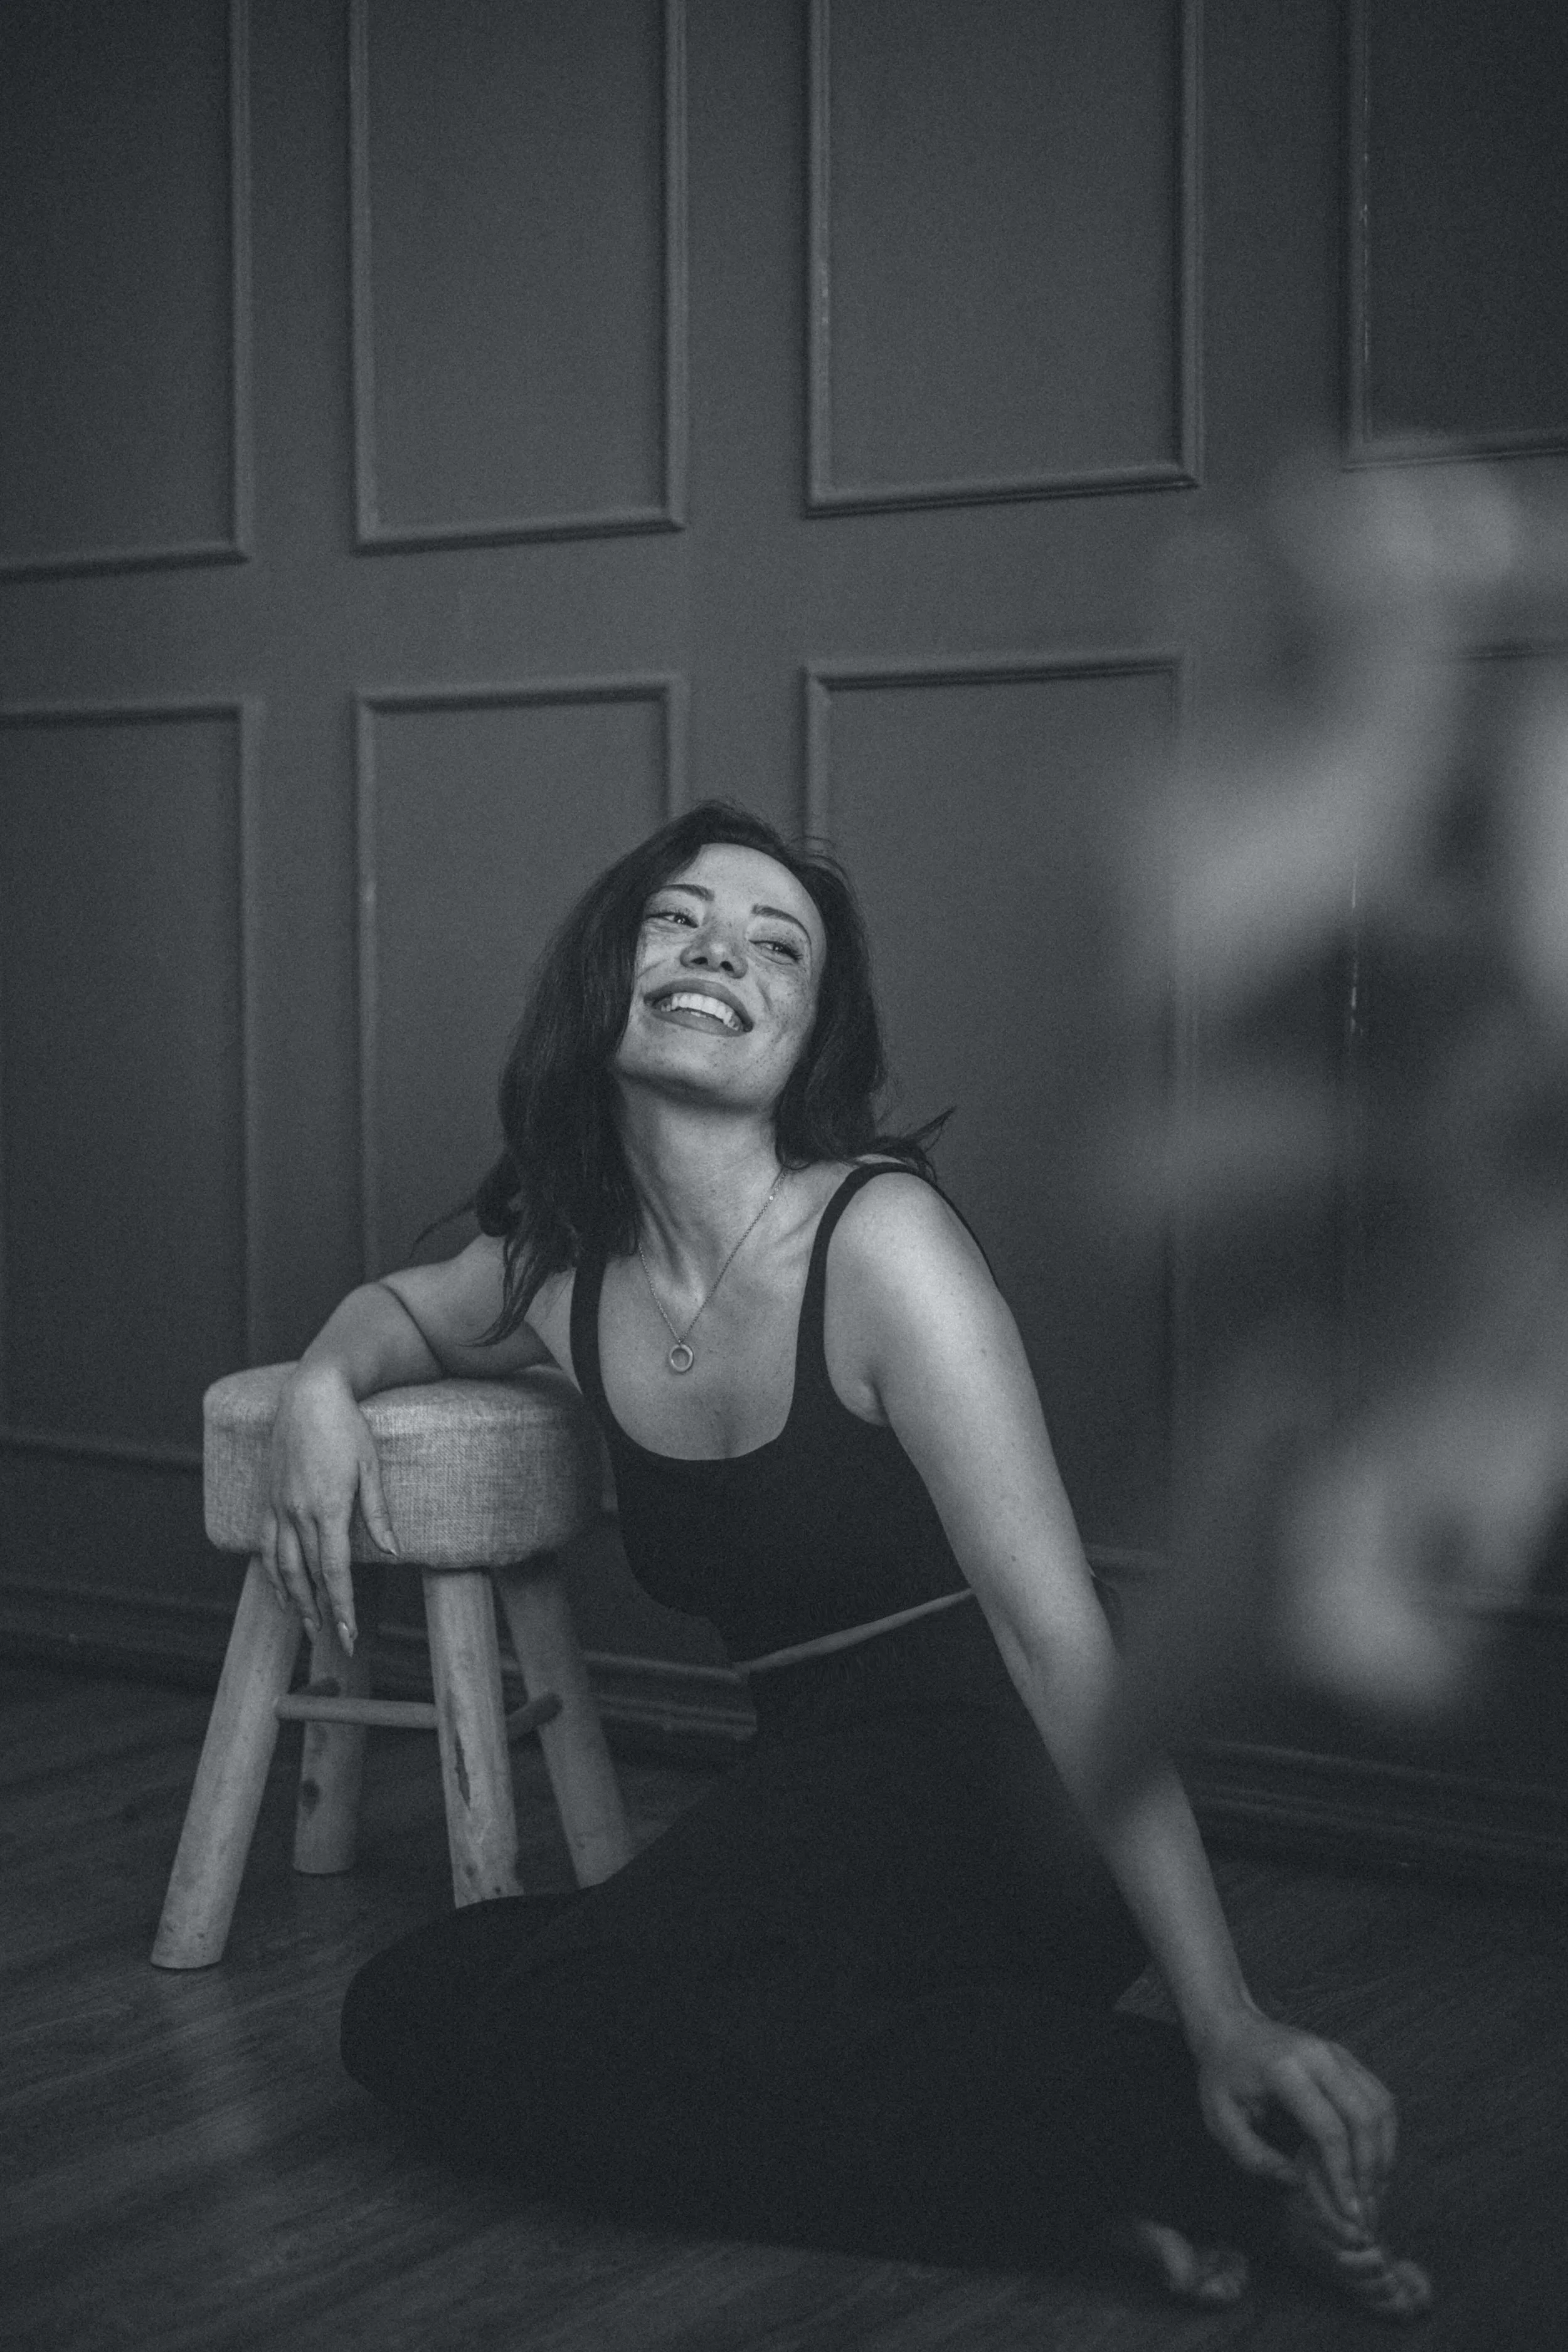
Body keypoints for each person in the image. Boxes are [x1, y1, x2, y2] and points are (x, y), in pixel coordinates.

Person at [263, 802, 1430, 2319]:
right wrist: (313, 1388)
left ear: (805, 1039)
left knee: (584, 2018)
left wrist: (1222, 2012)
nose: (716, 957)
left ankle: (1198, 2147)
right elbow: (406, 1310)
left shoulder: (881, 1247)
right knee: (408, 2008)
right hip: (816, 1789)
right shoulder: (565, 1258)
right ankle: (1046, 2182)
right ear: (608, 968)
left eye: (775, 948)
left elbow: (1055, 1636)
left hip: (1013, 1783)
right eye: (679, 922)